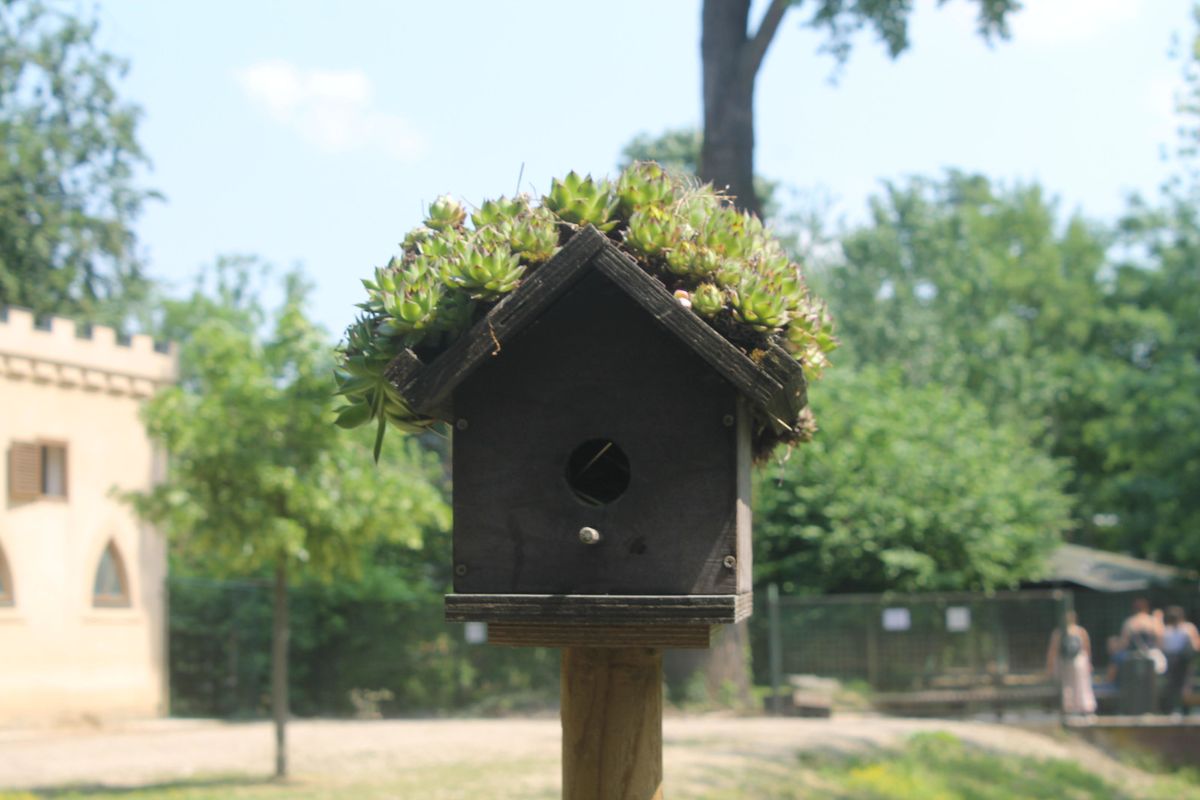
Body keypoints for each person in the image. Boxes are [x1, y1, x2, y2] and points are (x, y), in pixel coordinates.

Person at [1046, 610, 1097, 717]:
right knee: (1082, 685)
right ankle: (1085, 708)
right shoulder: (1081, 631)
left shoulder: (1059, 632)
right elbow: (1086, 649)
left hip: (1064, 662)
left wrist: (1050, 667)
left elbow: (1053, 650)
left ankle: (1068, 708)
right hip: (1080, 662)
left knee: (1067, 685)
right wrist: (1089, 663)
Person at [1160, 606, 1199, 715]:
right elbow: (1195, 646)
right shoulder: (1188, 628)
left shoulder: (1165, 630)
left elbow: (1161, 646)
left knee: (1173, 685)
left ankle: (1172, 710)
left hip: (1174, 661)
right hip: (1182, 661)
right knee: (1184, 686)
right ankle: (1183, 710)